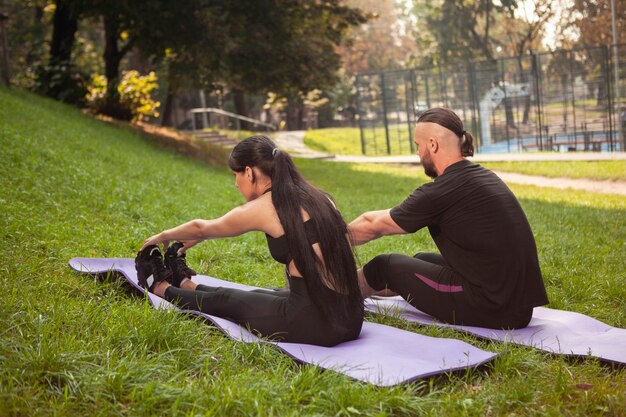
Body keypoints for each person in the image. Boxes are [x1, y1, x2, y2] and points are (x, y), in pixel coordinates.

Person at [136, 135, 363, 347]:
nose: (236, 183)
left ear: (248, 172)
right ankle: (187, 284)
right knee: (260, 295)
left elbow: (202, 226)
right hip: (350, 316)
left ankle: (160, 287)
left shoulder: (268, 204)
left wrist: (161, 236)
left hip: (316, 324)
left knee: (229, 300)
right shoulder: (318, 197)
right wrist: (201, 237)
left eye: (235, 175)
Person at [349, 107, 548, 329]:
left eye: (418, 146)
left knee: (384, 266)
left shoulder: (443, 191)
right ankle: (367, 289)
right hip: (516, 306)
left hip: (494, 309)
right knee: (422, 259)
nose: (417, 153)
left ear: (432, 144)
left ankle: (334, 294)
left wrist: (323, 240)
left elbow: (373, 225)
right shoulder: (481, 175)